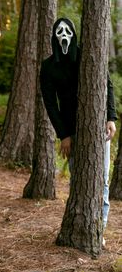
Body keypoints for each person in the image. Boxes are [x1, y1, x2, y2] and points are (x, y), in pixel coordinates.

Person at [40, 18, 117, 246]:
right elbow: (50, 103)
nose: (64, 35)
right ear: (54, 36)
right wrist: (63, 134)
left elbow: (107, 84)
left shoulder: (86, 55)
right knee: (79, 179)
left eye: (67, 31)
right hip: (71, 130)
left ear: (73, 33)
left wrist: (110, 117)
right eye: (59, 31)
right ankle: (79, 225)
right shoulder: (48, 66)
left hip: (97, 125)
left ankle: (98, 231)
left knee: (101, 180)